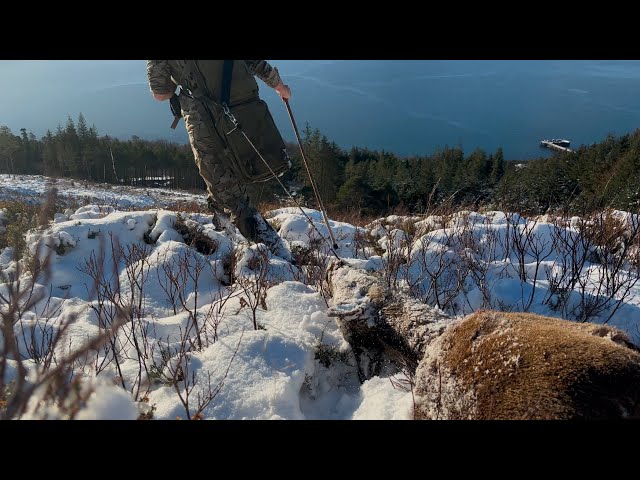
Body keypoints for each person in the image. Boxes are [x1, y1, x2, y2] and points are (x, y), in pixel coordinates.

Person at [146, 60, 292, 259]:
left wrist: (176, 81)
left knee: (221, 181)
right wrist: (280, 87)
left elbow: (160, 93)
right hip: (240, 109)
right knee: (236, 171)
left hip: (203, 119)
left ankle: (272, 252)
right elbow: (254, 62)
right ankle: (225, 231)